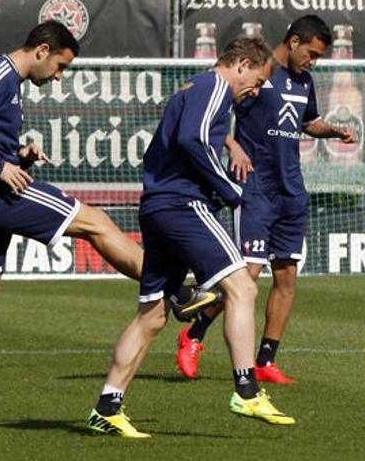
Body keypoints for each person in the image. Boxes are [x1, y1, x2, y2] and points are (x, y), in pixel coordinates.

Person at [0, 21, 216, 430]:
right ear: (42, 50)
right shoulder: (0, 73)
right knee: (97, 222)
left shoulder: (10, 83)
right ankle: (177, 291)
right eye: (59, 67)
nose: (58, 77)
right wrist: (0, 167)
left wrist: (17, 153)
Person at [86, 36, 295, 439]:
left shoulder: (199, 90)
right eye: (257, 79)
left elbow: (181, 142)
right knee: (242, 287)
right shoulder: (213, 87)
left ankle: (107, 407)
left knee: (151, 317)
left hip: (159, 206)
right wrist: (229, 189)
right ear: (242, 64)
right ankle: (246, 390)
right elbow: (192, 140)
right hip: (183, 205)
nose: (256, 89)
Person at [176, 15, 356, 382]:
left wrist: (332, 130)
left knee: (287, 276)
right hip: (255, 188)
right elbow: (209, 113)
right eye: (311, 53)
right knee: (247, 276)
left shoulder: (304, 80)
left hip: (291, 190)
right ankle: (193, 334)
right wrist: (233, 145)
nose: (313, 61)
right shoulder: (258, 72)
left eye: (318, 56)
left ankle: (266, 360)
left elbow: (308, 122)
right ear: (293, 42)